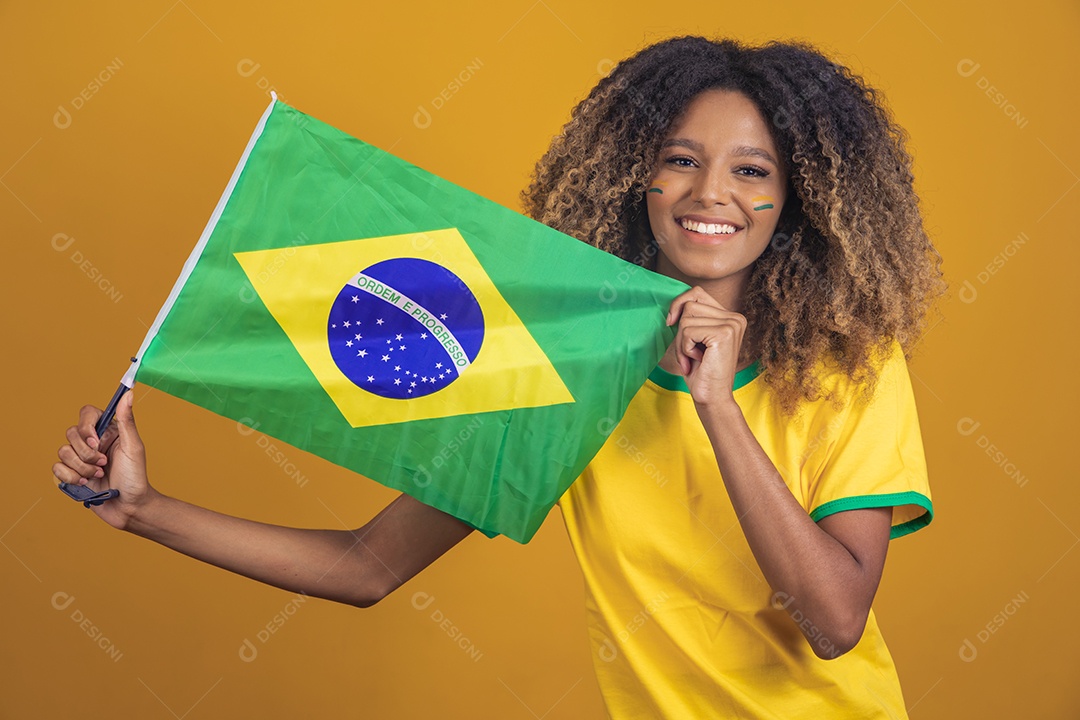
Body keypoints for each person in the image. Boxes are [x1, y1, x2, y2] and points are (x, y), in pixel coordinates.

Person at [53, 35, 945, 719]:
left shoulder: (848, 368)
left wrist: (718, 410)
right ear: (636, 178)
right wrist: (140, 510)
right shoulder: (565, 367)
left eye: (753, 171)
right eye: (680, 159)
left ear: (794, 202)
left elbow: (834, 623)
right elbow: (367, 566)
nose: (711, 192)